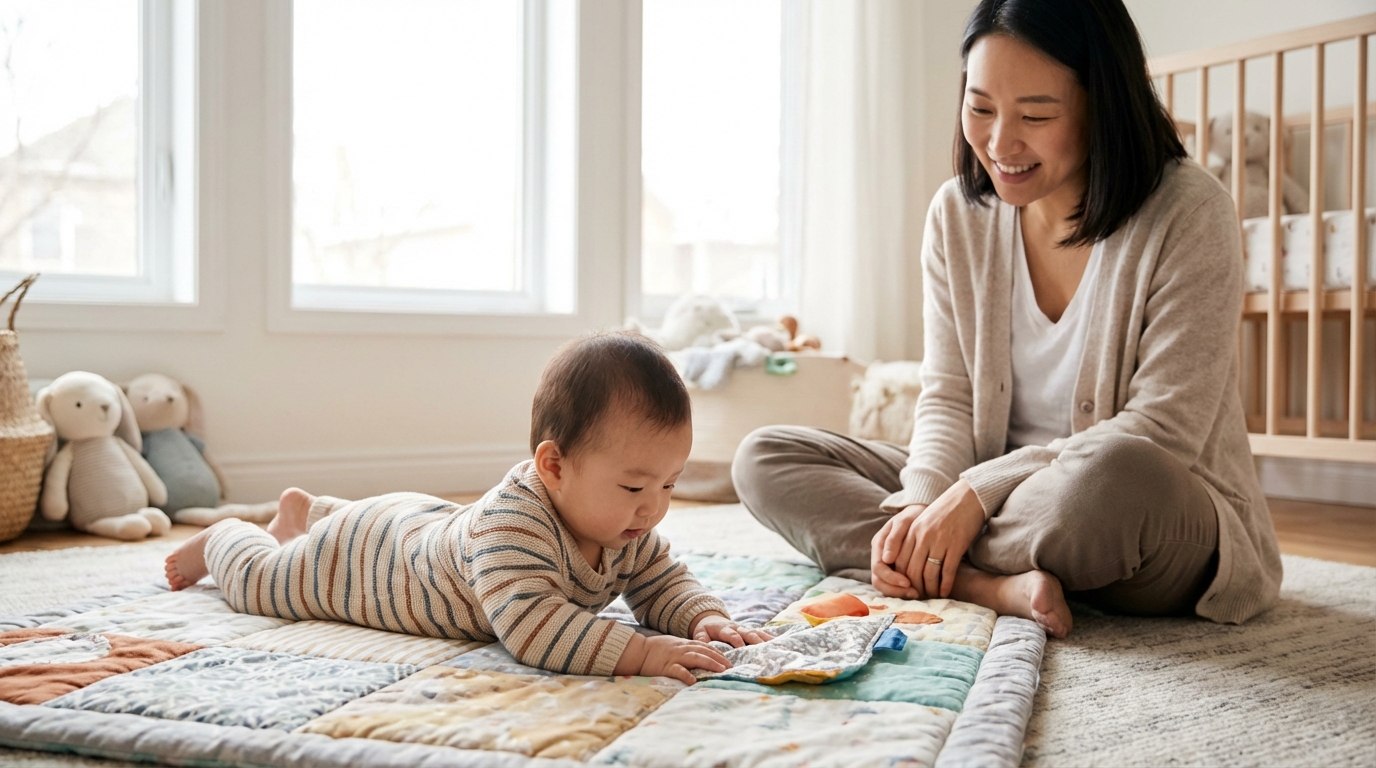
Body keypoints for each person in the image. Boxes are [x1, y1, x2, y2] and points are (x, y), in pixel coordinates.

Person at [731, 0, 1282, 639]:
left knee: (1106, 481)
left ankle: (942, 558)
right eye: (981, 107)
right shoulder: (956, 216)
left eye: (1036, 115)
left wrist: (971, 498)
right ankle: (987, 583)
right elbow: (949, 395)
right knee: (765, 457)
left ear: (1102, 105)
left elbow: (1164, 431)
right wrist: (921, 502)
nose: (999, 144)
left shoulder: (1190, 212)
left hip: (1133, 506)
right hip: (1005, 495)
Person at [165, 331, 769, 684]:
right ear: (553, 467)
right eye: (636, 488)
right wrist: (641, 652)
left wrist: (699, 618)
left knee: (418, 521)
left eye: (670, 485)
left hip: (421, 525)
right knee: (260, 583)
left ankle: (306, 512)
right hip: (365, 560)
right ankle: (228, 537)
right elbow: (535, 630)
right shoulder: (512, 529)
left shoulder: (626, 525)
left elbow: (662, 580)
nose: (653, 509)